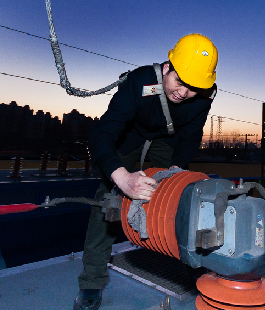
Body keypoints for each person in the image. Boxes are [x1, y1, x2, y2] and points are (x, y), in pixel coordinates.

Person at [73, 33, 218, 310]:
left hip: (167, 141)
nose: (183, 93)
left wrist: (177, 170)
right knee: (108, 201)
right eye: (179, 82)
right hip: (130, 137)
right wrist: (122, 178)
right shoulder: (139, 81)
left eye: (192, 88)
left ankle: (190, 261)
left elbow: (191, 135)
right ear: (167, 68)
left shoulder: (204, 94)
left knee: (178, 198)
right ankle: (91, 280)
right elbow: (103, 133)